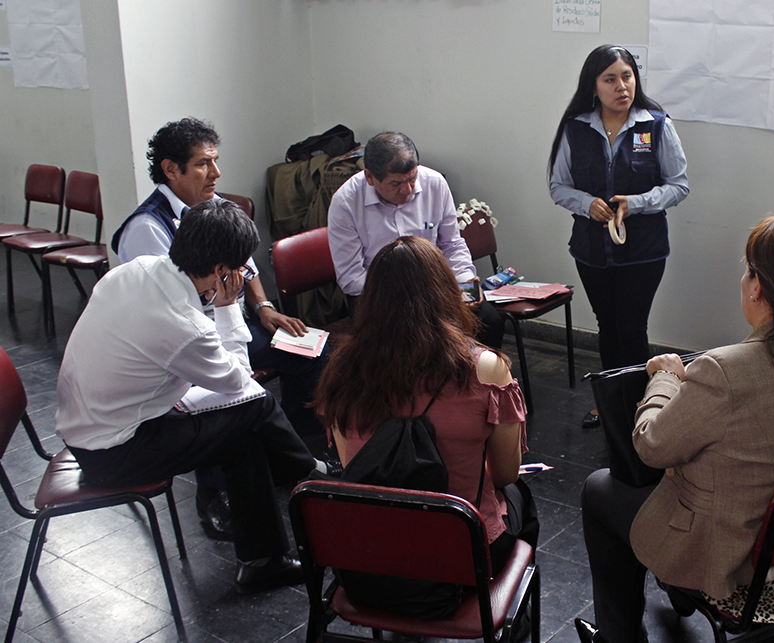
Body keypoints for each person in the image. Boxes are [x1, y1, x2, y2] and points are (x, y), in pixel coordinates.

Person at [574, 213, 774, 643]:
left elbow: (651, 446)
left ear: (757, 286)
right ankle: (674, 591)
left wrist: (664, 378)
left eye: (747, 270)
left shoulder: (724, 370)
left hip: (737, 565)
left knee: (600, 490)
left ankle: (618, 635)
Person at [55, 201, 333, 595]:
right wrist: (226, 308)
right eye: (240, 269)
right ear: (223, 272)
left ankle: (267, 553)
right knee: (255, 406)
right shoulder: (183, 325)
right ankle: (312, 481)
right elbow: (241, 381)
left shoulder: (134, 271)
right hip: (114, 454)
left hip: (89, 428)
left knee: (246, 426)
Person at [110, 117, 329, 540]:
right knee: (221, 398)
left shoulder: (214, 207)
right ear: (171, 169)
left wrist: (264, 308)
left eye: (216, 161)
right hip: (183, 343)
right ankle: (214, 496)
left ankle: (287, 454)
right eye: (203, 164)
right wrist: (228, 319)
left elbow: (244, 267)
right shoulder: (147, 229)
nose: (216, 173)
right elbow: (168, 311)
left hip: (232, 322)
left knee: (311, 350)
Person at [313, 235, 538, 618]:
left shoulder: (342, 370)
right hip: (464, 561)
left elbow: (353, 466)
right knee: (521, 500)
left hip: (369, 562)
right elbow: (505, 473)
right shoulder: (486, 369)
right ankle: (512, 622)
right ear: (446, 292)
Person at [548, 44, 690, 430]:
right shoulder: (576, 128)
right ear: (593, 86)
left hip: (643, 251)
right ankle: (611, 403)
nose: (621, 86)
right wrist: (586, 203)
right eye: (610, 79)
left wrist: (638, 202)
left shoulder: (656, 124)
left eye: (626, 76)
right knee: (607, 326)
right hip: (591, 251)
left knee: (632, 327)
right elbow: (558, 187)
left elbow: (678, 186)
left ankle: (641, 406)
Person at [327, 131, 504, 351]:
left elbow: (452, 244)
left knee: (488, 320)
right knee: (412, 336)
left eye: (412, 179)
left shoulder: (434, 183)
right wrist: (408, 292)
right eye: (396, 184)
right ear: (370, 177)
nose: (408, 190)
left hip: (432, 285)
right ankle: (425, 384)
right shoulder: (346, 203)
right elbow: (350, 276)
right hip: (377, 296)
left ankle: (478, 384)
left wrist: (464, 282)